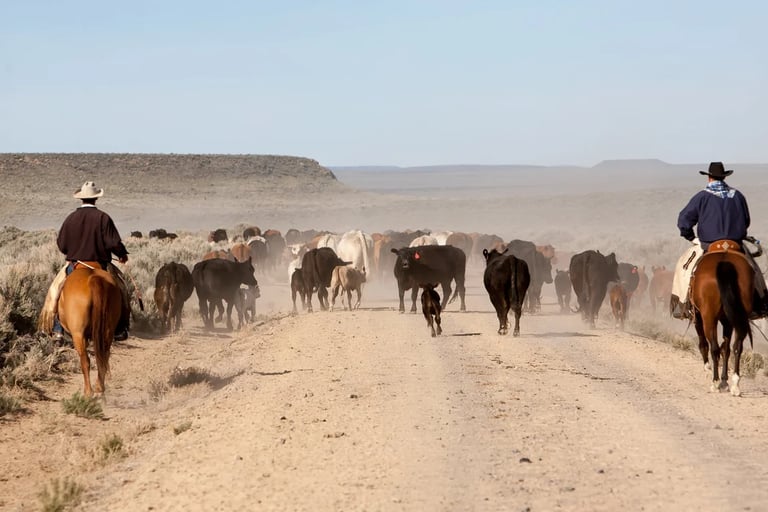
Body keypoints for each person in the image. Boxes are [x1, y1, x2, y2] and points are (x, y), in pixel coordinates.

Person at [670, 162, 768, 319]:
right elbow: (746, 221)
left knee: (684, 267)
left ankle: (683, 304)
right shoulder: (738, 195)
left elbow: (683, 220)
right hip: (736, 244)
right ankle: (761, 304)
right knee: (754, 270)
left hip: (709, 245)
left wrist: (691, 237)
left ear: (709, 177)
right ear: (724, 177)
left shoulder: (701, 196)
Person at [48, 181, 131, 341]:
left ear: (81, 199)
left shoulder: (71, 218)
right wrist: (121, 254)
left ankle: (57, 329)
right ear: (95, 199)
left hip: (75, 264)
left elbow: (62, 245)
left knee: (55, 291)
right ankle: (120, 328)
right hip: (101, 265)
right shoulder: (103, 218)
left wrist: (74, 251)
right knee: (122, 289)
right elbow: (113, 243)